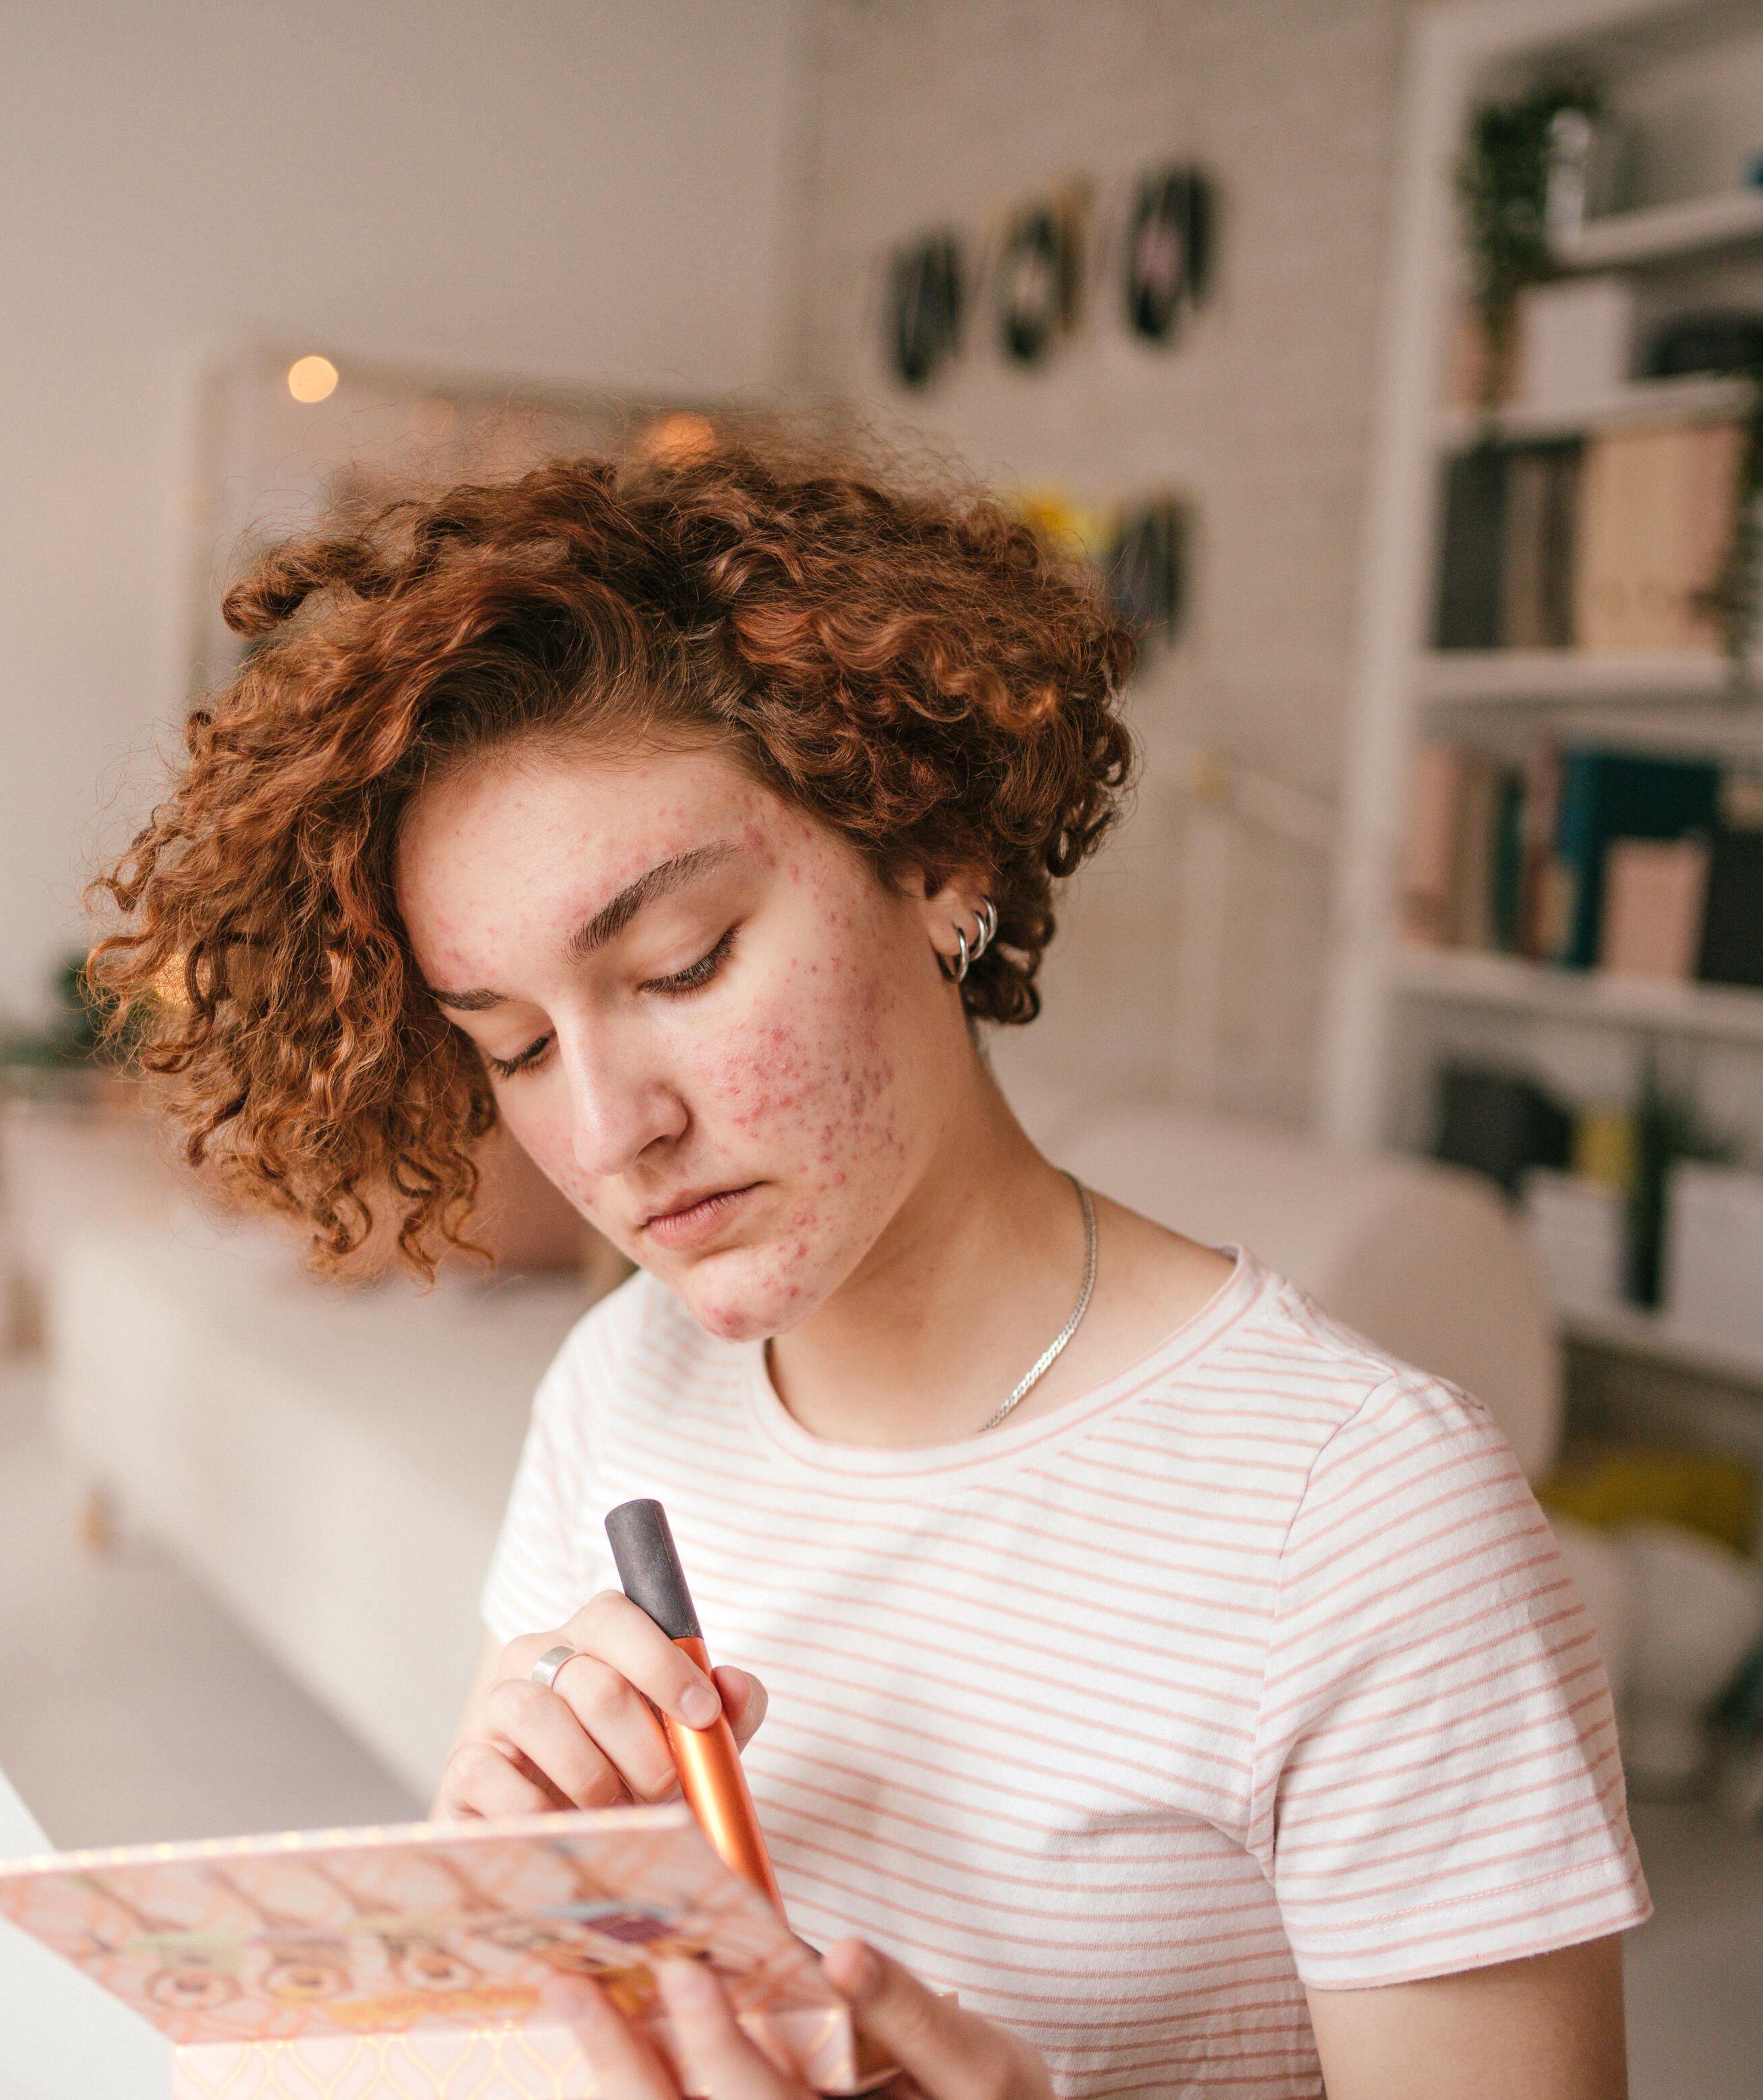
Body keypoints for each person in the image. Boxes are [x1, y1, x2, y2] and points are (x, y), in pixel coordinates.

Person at [94, 436, 1647, 2099]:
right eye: (517, 1043)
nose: (612, 1128)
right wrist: (504, 1884)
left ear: (935, 862)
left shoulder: (1356, 1514)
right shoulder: (619, 1389)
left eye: (681, 964)